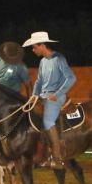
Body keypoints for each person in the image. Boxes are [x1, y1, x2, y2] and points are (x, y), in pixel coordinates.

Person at [22, 31, 76, 169]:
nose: (33, 50)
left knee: (47, 120)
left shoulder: (59, 58)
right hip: (43, 97)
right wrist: (34, 94)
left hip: (56, 97)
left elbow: (71, 78)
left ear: (42, 45)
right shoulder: (42, 61)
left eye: (34, 47)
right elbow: (39, 81)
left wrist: (57, 94)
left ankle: (58, 159)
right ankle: (40, 155)